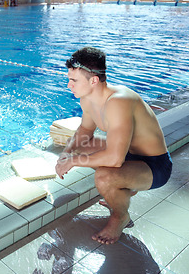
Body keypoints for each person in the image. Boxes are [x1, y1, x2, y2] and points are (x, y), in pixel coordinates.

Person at [55, 47, 172, 245]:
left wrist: (73, 162)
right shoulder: (88, 100)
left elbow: (115, 159)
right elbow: (85, 131)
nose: (69, 85)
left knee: (104, 177)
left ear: (93, 80)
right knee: (81, 146)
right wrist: (66, 154)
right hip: (129, 155)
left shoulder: (119, 101)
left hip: (154, 166)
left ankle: (120, 217)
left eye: (73, 81)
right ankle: (124, 189)